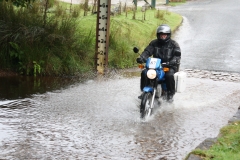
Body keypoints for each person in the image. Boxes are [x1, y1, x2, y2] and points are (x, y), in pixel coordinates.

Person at [136, 24, 181, 102]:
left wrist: (173, 61)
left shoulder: (174, 44)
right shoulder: (154, 43)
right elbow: (147, 51)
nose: (163, 36)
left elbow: (177, 56)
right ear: (158, 35)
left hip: (168, 66)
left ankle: (170, 94)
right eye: (161, 35)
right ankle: (144, 91)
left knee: (169, 75)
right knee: (144, 72)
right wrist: (142, 57)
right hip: (156, 66)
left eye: (164, 35)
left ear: (168, 35)